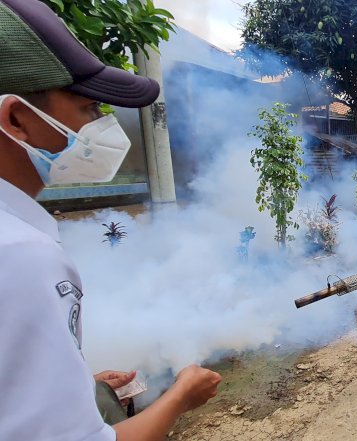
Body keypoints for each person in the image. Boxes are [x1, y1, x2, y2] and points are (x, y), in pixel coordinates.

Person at [0, 1, 221, 440]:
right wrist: (180, 397)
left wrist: (83, 391)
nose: (102, 125)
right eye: (87, 110)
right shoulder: (20, 255)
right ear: (16, 119)